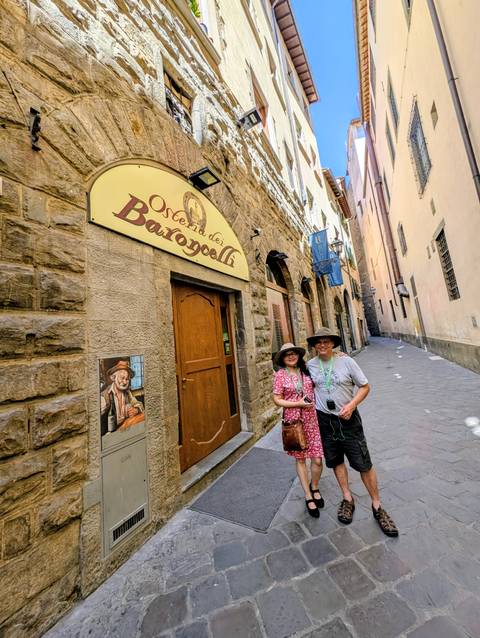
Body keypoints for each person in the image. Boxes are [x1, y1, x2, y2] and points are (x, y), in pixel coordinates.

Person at [306, 327, 398, 537]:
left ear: (333, 343)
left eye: (326, 341)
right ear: (314, 345)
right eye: (318, 342)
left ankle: (377, 505)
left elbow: (365, 386)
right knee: (336, 461)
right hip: (325, 421)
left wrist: (352, 405)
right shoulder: (310, 366)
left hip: (348, 420)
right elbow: (290, 372)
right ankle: (347, 498)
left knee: (363, 462)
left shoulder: (346, 361)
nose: (322, 345)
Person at [273, 343, 324, 518]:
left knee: (317, 460)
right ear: (282, 358)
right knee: (301, 459)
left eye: (293, 353)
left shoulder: (307, 370)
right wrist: (298, 403)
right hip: (294, 422)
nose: (291, 356)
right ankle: (308, 495)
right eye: (287, 354)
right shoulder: (280, 375)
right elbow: (277, 400)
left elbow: (323, 364)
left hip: (312, 420)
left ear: (298, 356)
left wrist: (339, 356)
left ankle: (314, 486)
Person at [100, 360, 144, 436]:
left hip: (125, 428)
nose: (124, 382)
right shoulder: (104, 396)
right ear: (113, 377)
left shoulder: (127, 392)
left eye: (127, 379)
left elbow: (137, 403)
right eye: (122, 378)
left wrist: (136, 410)